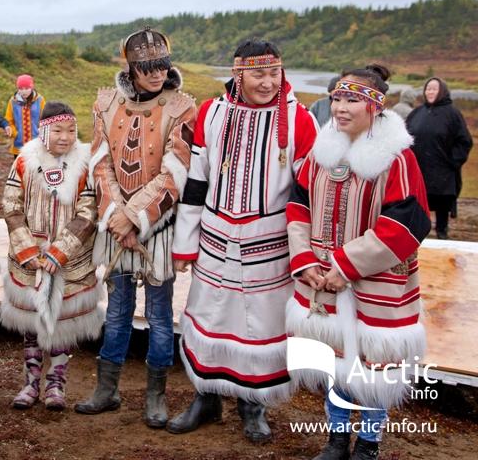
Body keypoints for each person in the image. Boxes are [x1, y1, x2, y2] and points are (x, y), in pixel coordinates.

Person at [169, 40, 318, 441]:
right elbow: (197, 179)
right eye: (258, 74)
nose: (268, 82)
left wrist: (307, 253)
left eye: (274, 73)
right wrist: (186, 241)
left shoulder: (300, 120)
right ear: (238, 74)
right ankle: (206, 396)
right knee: (209, 316)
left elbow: (307, 192)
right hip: (216, 240)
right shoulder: (212, 113)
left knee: (261, 325)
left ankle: (254, 404)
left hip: (269, 244)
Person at [286, 65, 430, 460]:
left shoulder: (396, 159)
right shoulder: (320, 153)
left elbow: (407, 223)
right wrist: (304, 260)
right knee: (333, 362)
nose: (340, 107)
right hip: (321, 278)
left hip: (372, 282)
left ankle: (368, 443)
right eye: (336, 97)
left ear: (375, 107)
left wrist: (345, 266)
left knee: (372, 366)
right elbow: (298, 206)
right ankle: (335, 439)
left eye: (352, 99)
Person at [75, 27, 197, 429]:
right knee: (119, 311)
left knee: (161, 315)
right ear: (131, 65)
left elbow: (175, 172)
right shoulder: (106, 103)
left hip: (156, 229)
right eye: (147, 67)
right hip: (116, 226)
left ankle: (155, 397)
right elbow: (99, 161)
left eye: (161, 65)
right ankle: (106, 390)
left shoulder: (181, 107)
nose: (156, 74)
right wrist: (116, 215)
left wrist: (136, 217)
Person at [0, 102, 102, 411]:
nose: (65, 137)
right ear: (44, 131)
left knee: (62, 324)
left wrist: (60, 252)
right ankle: (30, 383)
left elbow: (88, 212)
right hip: (29, 260)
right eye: (58, 130)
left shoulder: (84, 166)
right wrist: (28, 249)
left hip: (68, 261)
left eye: (71, 131)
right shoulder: (24, 163)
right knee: (32, 323)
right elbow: (10, 205)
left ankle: (56, 383)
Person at [406, 77, 473, 239]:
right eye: (428, 88)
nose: (430, 92)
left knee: (442, 206)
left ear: (442, 91)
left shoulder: (452, 113)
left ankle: (442, 235)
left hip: (442, 172)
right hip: (419, 169)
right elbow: (404, 136)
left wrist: (452, 161)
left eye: (434, 89)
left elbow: (464, 141)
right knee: (417, 203)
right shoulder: (417, 112)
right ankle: (414, 237)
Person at [5, 74, 46, 155]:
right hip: (19, 145)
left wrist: (41, 132)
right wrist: (14, 133)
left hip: (36, 145)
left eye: (26, 88)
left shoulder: (40, 100)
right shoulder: (12, 101)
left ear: (32, 87)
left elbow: (46, 119)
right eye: (20, 88)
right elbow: (9, 120)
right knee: (19, 167)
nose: (23, 91)